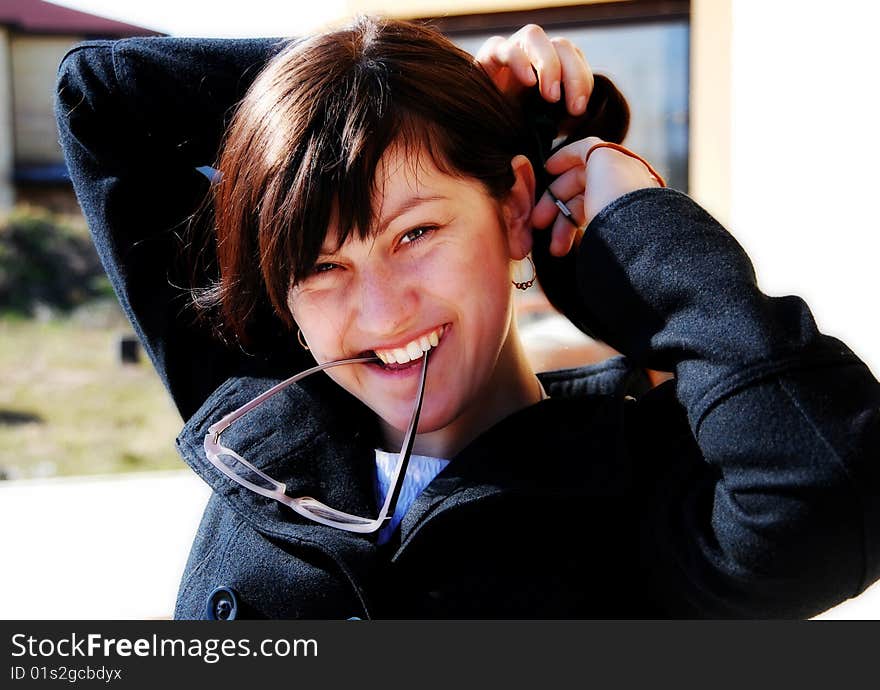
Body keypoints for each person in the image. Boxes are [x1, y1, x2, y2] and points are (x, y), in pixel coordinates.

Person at [55, 16, 880, 619]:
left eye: (416, 233)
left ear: (514, 206)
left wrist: (639, 232)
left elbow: (833, 497)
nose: (379, 311)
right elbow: (96, 96)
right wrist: (410, 82)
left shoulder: (643, 484)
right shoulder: (262, 407)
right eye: (320, 266)